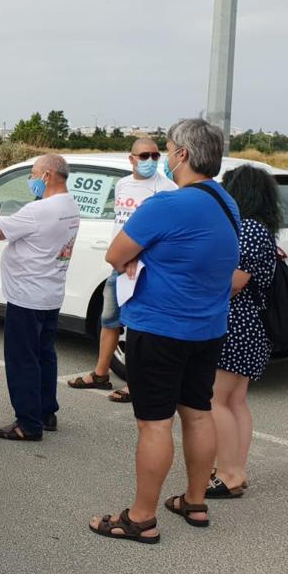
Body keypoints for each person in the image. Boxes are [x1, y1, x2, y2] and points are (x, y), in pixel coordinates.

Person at [88, 118, 239, 544]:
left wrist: (137, 260)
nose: (165, 158)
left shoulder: (167, 205)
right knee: (197, 412)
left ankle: (141, 517)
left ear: (183, 155)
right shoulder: (226, 202)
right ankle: (195, 501)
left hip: (160, 328)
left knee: (154, 424)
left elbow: (117, 255)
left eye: (169, 149)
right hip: (207, 328)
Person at [67, 137, 176, 403]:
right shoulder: (123, 184)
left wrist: (137, 258)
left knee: (139, 328)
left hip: (144, 269)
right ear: (132, 159)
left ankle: (137, 384)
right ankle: (101, 373)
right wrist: (121, 257)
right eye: (144, 156)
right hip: (119, 266)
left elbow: (165, 233)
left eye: (154, 155)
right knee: (109, 320)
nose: (150, 160)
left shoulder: (168, 189)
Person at [0, 154, 80, 441]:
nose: (31, 180)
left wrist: (5, 218)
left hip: (27, 295)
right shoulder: (71, 205)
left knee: (22, 359)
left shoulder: (37, 211)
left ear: (47, 176)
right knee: (44, 354)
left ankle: (27, 423)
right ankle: (45, 411)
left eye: (33, 174)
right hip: (51, 292)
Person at [207, 165, 280, 499]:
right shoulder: (262, 229)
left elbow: (233, 284)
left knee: (216, 400)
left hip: (236, 323)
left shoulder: (247, 229)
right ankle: (237, 470)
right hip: (251, 326)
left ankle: (227, 473)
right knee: (235, 401)